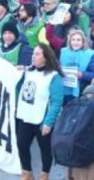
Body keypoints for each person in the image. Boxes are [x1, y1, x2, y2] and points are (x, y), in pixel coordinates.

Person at [14, 45, 64, 180]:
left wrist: (49, 122)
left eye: (37, 54)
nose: (33, 56)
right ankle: (27, 173)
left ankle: (44, 175)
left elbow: (56, 102)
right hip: (25, 116)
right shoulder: (28, 72)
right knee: (21, 144)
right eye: (33, 54)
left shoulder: (54, 77)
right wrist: (18, 73)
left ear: (46, 58)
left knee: (45, 150)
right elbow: (19, 88)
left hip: (42, 118)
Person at [60, 29, 94, 104]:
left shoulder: (90, 55)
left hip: (81, 91)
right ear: (70, 41)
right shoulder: (63, 52)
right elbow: (58, 67)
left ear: (83, 42)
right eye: (73, 40)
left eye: (78, 40)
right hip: (64, 89)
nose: (75, 42)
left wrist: (83, 75)